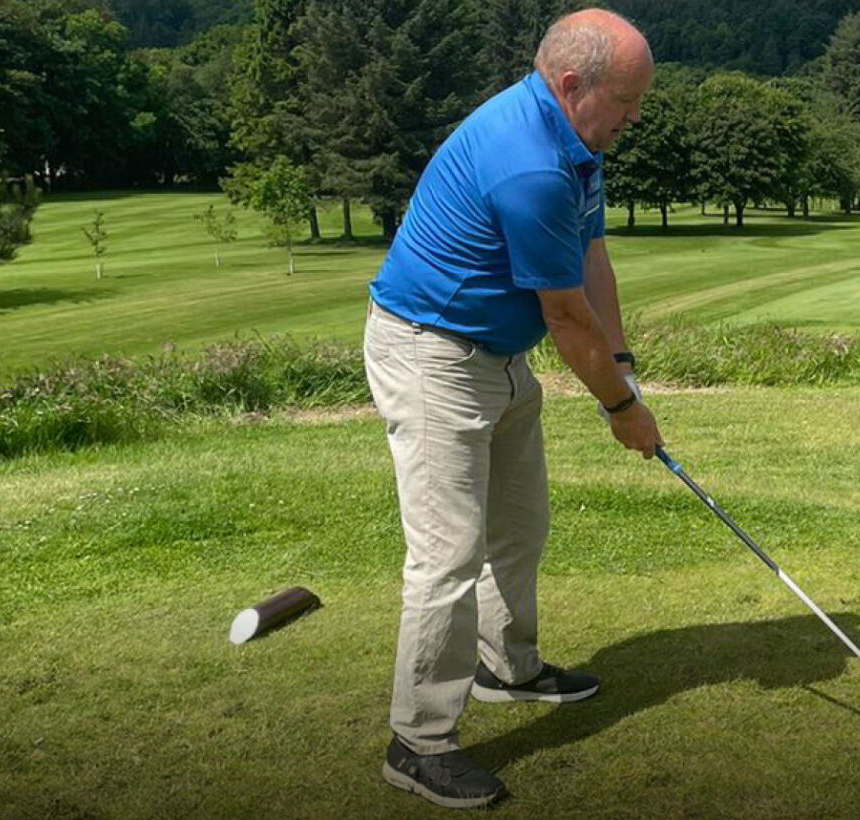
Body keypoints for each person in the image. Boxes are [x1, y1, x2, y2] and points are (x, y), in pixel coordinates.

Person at [362, 7, 662, 810]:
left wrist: (625, 368)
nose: (636, 117)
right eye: (628, 101)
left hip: (495, 356)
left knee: (519, 525)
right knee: (447, 557)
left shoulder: (578, 143)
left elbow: (593, 255)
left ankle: (507, 667)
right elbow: (565, 317)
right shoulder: (528, 163)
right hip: (431, 356)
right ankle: (417, 742)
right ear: (572, 85)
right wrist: (620, 410)